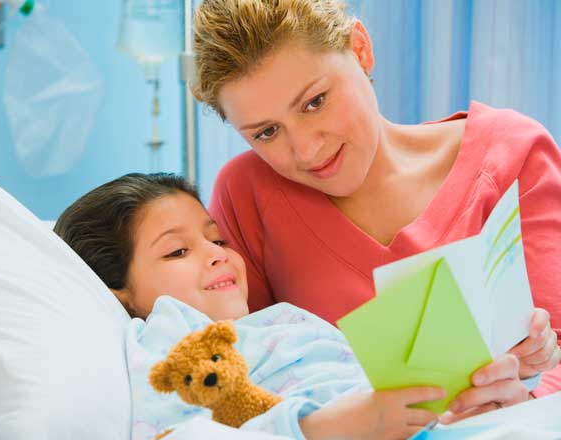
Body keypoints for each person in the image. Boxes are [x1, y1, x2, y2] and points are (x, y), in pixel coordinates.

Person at [193, 0, 561, 422]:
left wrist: (520, 406)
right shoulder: (247, 192)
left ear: (361, 48)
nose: (307, 149)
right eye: (267, 132)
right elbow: (232, 373)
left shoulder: (512, 152)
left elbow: (556, 354)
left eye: (315, 102)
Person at [54, 173, 447, 440]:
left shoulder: (278, 320)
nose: (216, 255)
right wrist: (321, 426)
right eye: (177, 251)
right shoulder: (168, 335)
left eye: (219, 240)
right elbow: (180, 433)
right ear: (118, 291)